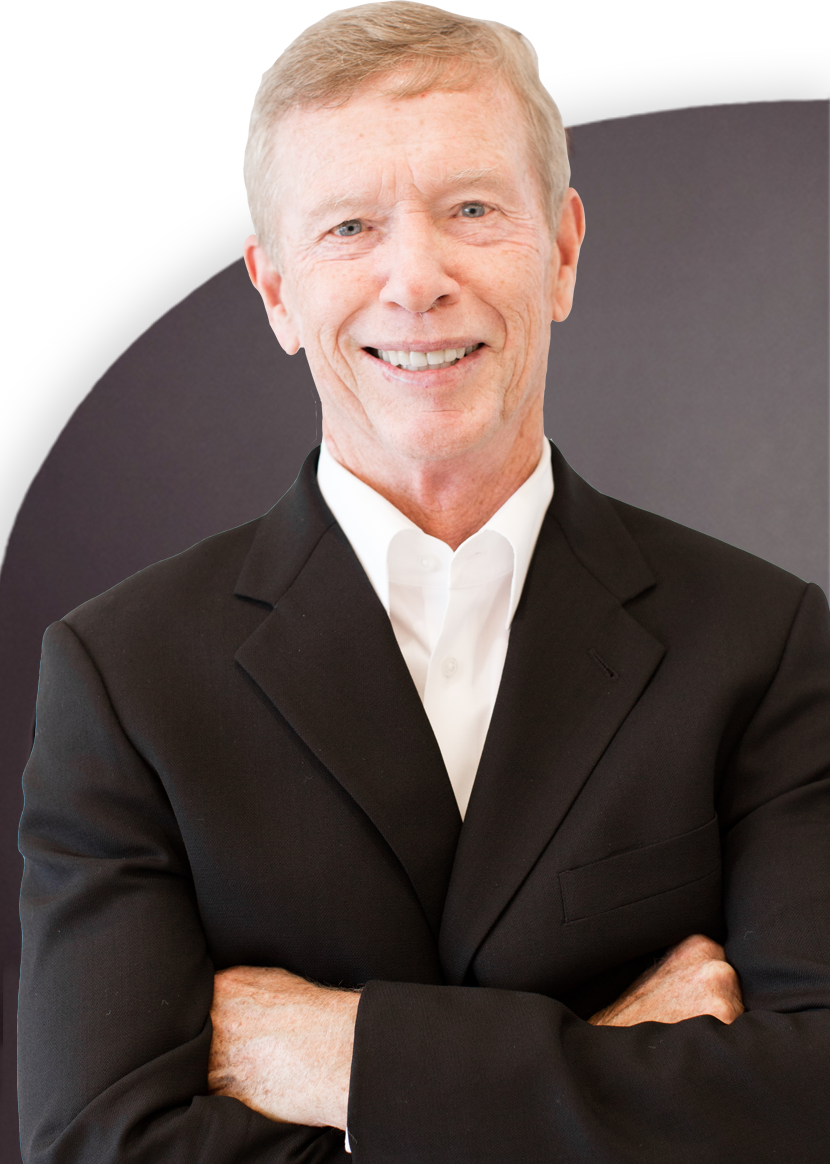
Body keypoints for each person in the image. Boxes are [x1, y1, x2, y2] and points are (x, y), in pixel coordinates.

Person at [17, 3, 830, 1161]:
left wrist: (338, 1058)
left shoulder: (761, 639)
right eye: (349, 227)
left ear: (559, 251)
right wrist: (607, 1050)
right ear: (276, 292)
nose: (416, 280)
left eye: (470, 211)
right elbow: (100, 1146)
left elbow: (810, 1101)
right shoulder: (124, 676)